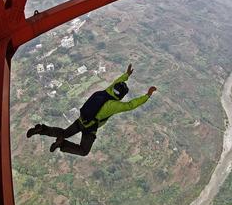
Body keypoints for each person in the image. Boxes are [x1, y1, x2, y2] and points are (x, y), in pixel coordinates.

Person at [26, 64, 157, 157]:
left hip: (82, 119)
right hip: (90, 128)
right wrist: (147, 95)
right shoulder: (114, 105)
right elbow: (131, 105)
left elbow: (117, 81)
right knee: (83, 151)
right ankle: (62, 145)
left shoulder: (107, 91)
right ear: (121, 96)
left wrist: (126, 75)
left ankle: (41, 129)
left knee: (65, 132)